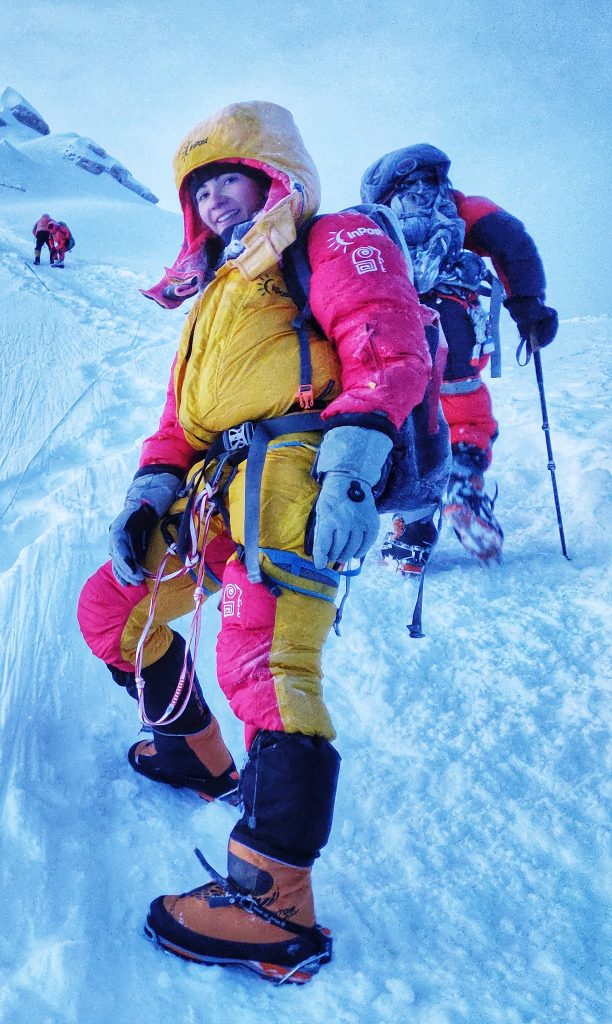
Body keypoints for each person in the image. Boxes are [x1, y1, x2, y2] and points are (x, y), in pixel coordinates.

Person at [77, 101, 433, 983]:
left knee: (267, 660)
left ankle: (274, 901)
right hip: (209, 488)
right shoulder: (219, 293)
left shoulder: (332, 236)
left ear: (274, 175)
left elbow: (388, 341)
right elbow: (179, 420)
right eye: (198, 194)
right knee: (113, 610)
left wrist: (353, 462)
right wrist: (148, 492)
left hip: (292, 468)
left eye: (226, 180)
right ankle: (194, 753)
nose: (214, 205)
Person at [360, 144, 558, 564]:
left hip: (395, 329)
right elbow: (513, 243)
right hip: (454, 323)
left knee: (408, 422)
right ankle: (463, 481)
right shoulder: (461, 207)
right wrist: (529, 306)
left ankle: (412, 531)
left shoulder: (374, 220)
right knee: (463, 406)